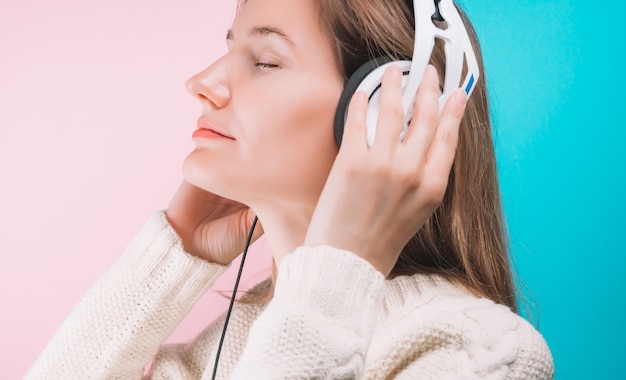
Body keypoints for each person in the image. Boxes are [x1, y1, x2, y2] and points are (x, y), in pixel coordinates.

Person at [26, 0, 554, 378]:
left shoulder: (477, 353)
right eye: (229, 49)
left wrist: (338, 275)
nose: (202, 82)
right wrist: (174, 252)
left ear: (387, 115)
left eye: (265, 61)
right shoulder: (210, 354)